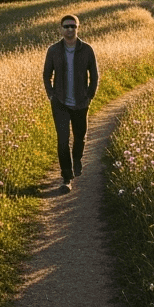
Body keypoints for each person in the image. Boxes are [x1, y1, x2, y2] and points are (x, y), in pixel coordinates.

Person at [42, 13, 99, 192]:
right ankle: (66, 178)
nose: (69, 29)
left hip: (81, 102)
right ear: (61, 29)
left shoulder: (87, 50)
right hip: (60, 102)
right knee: (63, 139)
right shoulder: (53, 50)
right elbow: (46, 75)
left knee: (80, 136)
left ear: (77, 28)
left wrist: (90, 96)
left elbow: (94, 75)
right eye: (66, 26)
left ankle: (77, 159)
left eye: (73, 26)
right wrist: (51, 95)